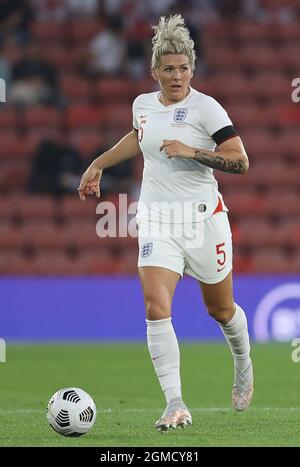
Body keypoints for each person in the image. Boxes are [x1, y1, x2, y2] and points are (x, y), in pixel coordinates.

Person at [78, 14, 253, 432]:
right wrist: (97, 164)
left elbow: (241, 162)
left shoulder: (207, 108)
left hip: (203, 222)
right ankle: (175, 403)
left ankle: (243, 361)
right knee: (157, 308)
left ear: (193, 68)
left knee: (221, 310)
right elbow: (138, 138)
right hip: (157, 219)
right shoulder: (142, 105)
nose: (177, 76)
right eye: (169, 68)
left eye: (184, 68)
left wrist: (193, 151)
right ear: (154, 71)